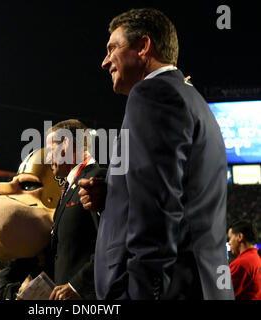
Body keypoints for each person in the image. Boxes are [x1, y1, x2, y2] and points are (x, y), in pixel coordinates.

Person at [78, 8, 234, 300]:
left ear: (143, 47)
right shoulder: (191, 98)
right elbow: (174, 191)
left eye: (113, 48)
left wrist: (142, 293)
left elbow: (158, 209)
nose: (104, 62)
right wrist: (112, 194)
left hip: (170, 288)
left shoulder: (152, 94)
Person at [45, 119, 106, 300]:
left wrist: (77, 285)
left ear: (66, 144)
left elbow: (110, 243)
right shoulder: (70, 186)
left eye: (50, 150)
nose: (48, 158)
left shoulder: (97, 181)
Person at [228, 219, 261, 300]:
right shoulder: (256, 258)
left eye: (230, 238)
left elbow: (221, 294)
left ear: (240, 237)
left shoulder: (242, 263)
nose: (229, 242)